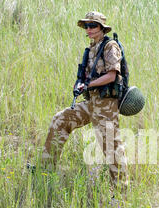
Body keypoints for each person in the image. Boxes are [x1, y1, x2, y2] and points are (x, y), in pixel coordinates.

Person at [39, 11, 128, 191]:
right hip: (92, 103)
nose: (89, 29)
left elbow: (112, 75)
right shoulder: (90, 50)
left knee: (111, 148)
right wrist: (79, 83)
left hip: (106, 106)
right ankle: (45, 171)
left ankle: (121, 193)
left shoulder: (110, 46)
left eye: (93, 25)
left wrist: (88, 85)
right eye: (86, 26)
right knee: (60, 120)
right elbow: (84, 76)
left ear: (101, 28)